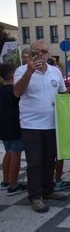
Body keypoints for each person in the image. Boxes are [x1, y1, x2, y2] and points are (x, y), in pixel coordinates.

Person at [14, 41, 68, 213]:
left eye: (45, 51)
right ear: (31, 54)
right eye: (37, 52)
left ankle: (48, 190)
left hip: (52, 125)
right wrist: (29, 72)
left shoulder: (55, 71)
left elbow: (63, 93)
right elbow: (17, 92)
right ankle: (35, 197)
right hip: (31, 125)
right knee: (34, 163)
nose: (42, 54)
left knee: (49, 160)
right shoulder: (22, 71)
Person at [0, 63, 26, 196]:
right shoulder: (15, 91)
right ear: (12, 74)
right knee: (15, 154)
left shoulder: (1, 89)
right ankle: (13, 185)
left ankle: (5, 181)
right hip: (15, 126)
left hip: (3, 127)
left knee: (8, 152)